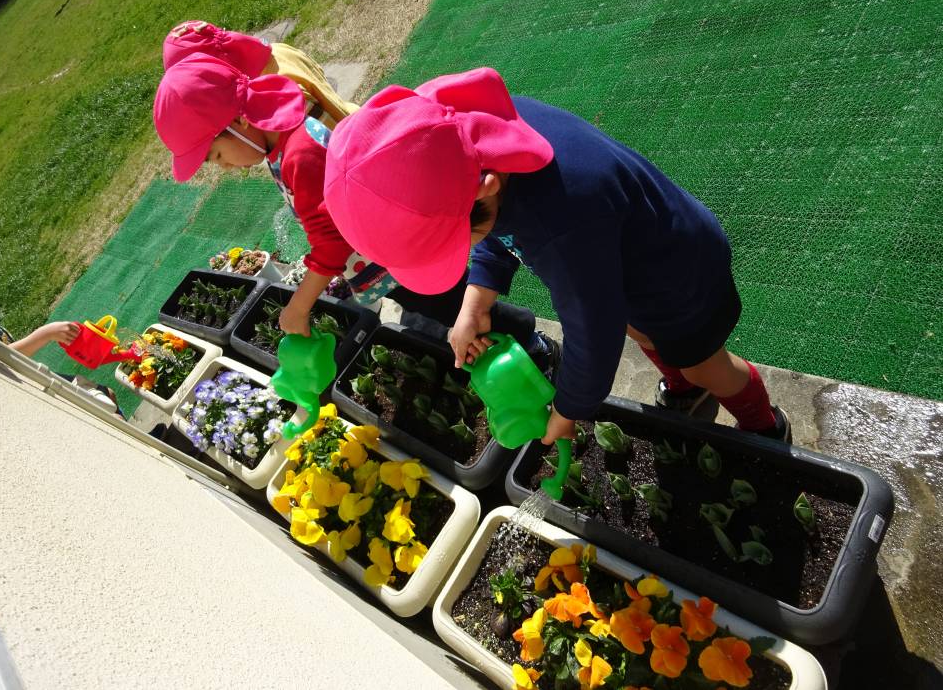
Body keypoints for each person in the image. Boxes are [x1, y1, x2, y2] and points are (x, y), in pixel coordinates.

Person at [321, 68, 792, 445]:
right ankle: (685, 388)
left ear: (484, 189)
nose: (462, 250)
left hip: (675, 271)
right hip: (627, 262)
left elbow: (593, 330)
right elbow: (493, 229)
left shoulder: (563, 223)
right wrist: (474, 303)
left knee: (702, 360)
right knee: (644, 329)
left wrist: (569, 410)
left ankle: (763, 422)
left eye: (454, 242)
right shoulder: (472, 137)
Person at [152, 56, 558, 372]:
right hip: (385, 255)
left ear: (238, 122)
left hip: (395, 256)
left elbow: (331, 240)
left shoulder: (298, 157)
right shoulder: (284, 130)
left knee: (451, 303)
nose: (222, 167)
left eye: (216, 154)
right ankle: (493, 335)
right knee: (435, 307)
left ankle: (531, 342)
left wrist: (301, 304)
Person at [0, 245, 120, 413]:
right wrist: (46, 333)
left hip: (25, 372)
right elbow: (0, 359)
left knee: (108, 392)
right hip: (23, 385)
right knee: (108, 407)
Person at [162, 20, 356, 129]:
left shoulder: (277, 94)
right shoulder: (278, 51)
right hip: (350, 113)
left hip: (351, 144)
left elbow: (327, 136)